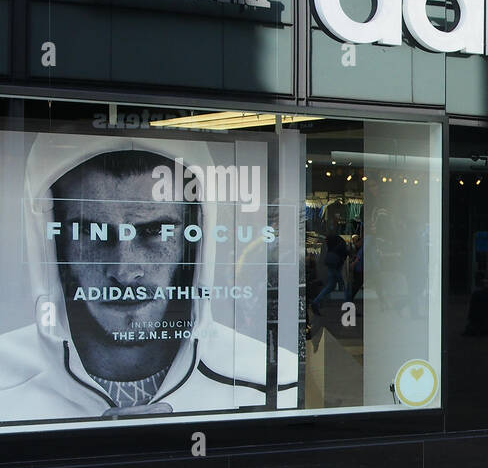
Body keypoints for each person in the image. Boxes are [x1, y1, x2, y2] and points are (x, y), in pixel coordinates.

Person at [0, 137, 297, 421]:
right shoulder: (5, 383)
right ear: (53, 243)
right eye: (91, 232)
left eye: (155, 232)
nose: (125, 271)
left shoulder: (275, 383)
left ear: (192, 244)